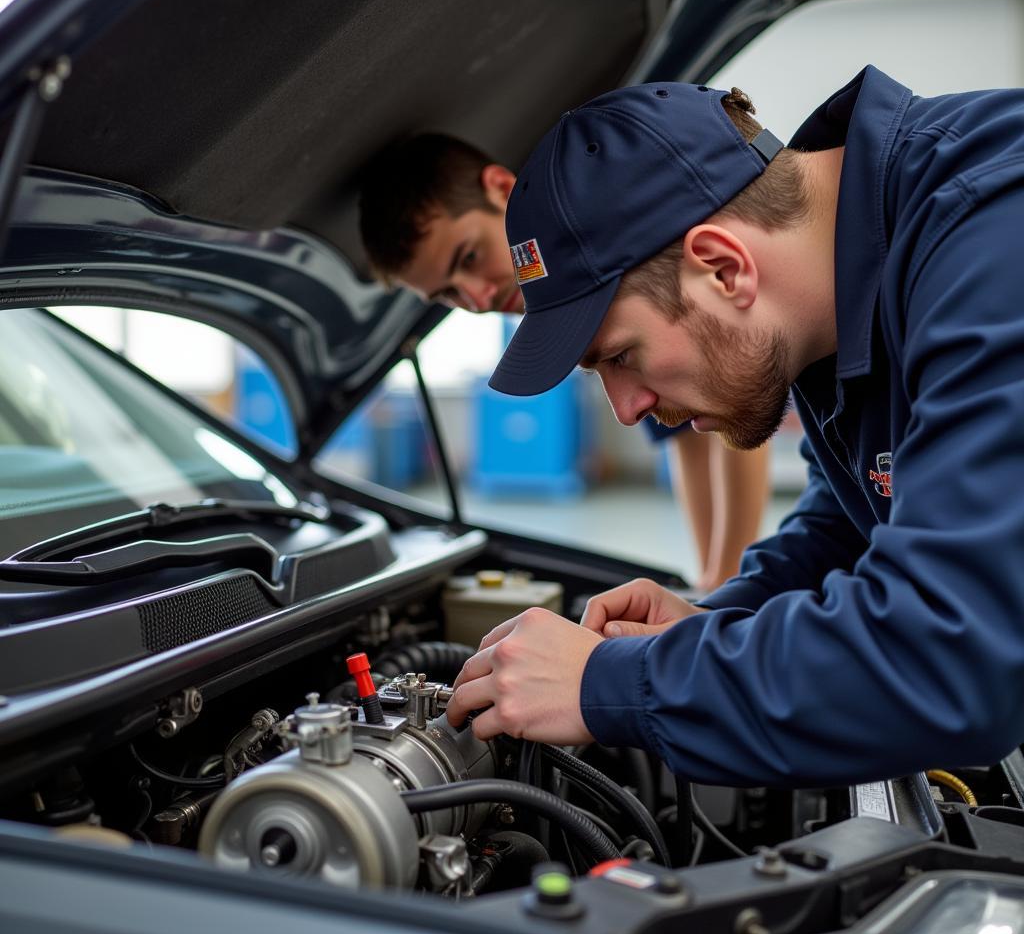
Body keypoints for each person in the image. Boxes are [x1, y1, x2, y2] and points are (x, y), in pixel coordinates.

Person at [444, 69, 1024, 786]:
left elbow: (956, 666)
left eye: (620, 356)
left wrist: (611, 683)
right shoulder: (835, 299)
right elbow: (855, 522)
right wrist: (717, 617)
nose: (625, 409)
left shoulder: (994, 240)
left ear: (722, 269)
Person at [358, 134, 770, 590]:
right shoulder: (562, 304)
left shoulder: (618, 240)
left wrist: (729, 578)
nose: (477, 297)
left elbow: (736, 409)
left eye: (470, 256)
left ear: (500, 187)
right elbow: (687, 437)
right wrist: (708, 579)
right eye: (448, 294)